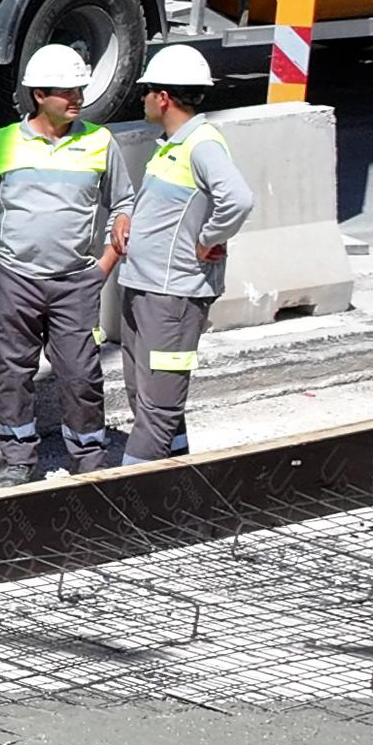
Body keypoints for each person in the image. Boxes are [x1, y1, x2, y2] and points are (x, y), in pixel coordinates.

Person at [0, 46, 122, 482]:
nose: (77, 99)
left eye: (79, 90)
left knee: (82, 374)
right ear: (39, 95)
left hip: (76, 283)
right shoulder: (3, 143)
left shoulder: (100, 143)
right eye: (66, 92)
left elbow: (123, 203)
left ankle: (88, 459)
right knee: (12, 375)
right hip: (13, 281)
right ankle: (18, 460)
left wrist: (103, 264)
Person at [112, 44, 256, 462]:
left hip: (172, 297)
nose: (142, 99)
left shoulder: (201, 143)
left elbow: (239, 199)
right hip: (145, 288)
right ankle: (176, 481)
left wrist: (210, 238)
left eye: (146, 91)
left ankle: (131, 504)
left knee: (157, 410)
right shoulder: (173, 144)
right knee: (148, 399)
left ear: (163, 98)